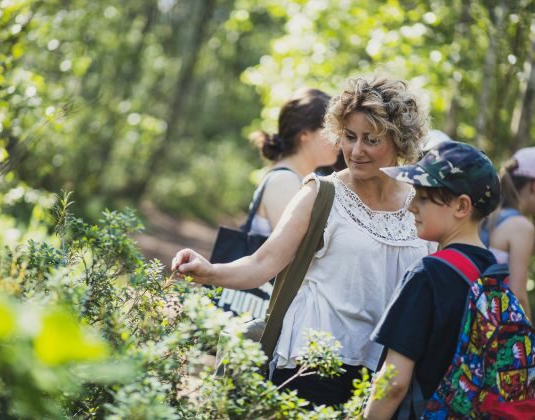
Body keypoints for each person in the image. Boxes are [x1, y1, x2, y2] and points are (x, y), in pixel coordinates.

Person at [173, 76, 432, 406]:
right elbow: (263, 262)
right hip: (310, 364)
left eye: (372, 139)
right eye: (349, 137)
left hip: (384, 374)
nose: (355, 150)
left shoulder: (421, 203)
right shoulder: (321, 193)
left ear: (400, 140)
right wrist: (209, 271)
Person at [364, 142, 504, 418]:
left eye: (424, 198)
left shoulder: (427, 275)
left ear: (462, 206)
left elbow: (393, 382)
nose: (411, 206)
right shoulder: (493, 275)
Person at [216, 88, 339, 320]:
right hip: (257, 311)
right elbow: (299, 253)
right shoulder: (285, 180)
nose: (339, 140)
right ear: (305, 135)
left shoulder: (298, 178)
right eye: (330, 130)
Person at [479, 147, 535, 321]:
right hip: (494, 326)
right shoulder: (521, 227)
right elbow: (518, 295)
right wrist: (531, 339)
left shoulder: (487, 215)